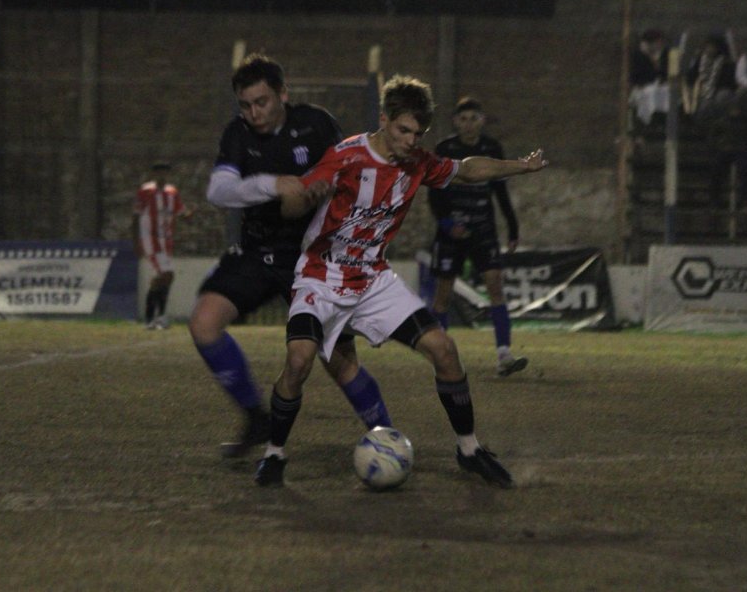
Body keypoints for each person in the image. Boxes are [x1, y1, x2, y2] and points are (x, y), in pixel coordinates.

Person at [254, 75, 549, 489]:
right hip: (320, 276)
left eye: (418, 133)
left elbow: (465, 171)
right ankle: (274, 454)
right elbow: (295, 203)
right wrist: (298, 196)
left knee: (444, 350)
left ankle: (469, 449)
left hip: (373, 278)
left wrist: (520, 166)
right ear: (383, 119)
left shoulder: (418, 162)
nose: (411, 140)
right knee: (299, 362)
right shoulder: (345, 156)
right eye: (403, 130)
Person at [188, 54, 392, 459]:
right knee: (204, 322)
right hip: (258, 250)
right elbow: (219, 191)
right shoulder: (237, 135)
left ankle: (385, 434)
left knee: (337, 357)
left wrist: (325, 188)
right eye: (245, 105)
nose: (253, 113)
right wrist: (273, 184)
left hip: (313, 256)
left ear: (283, 94)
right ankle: (256, 417)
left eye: (261, 102)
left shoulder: (315, 123)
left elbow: (353, 170)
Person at [427, 97, 528, 377]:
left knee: (495, 284)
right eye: (463, 118)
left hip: (483, 227)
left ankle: (504, 355)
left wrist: (513, 227)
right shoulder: (445, 149)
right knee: (443, 294)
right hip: (452, 230)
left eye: (474, 118)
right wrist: (447, 223)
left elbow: (501, 191)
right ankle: (440, 355)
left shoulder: (492, 148)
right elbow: (434, 193)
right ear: (455, 122)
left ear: (482, 121)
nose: (468, 123)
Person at [132, 161, 195, 330]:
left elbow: (181, 212)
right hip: (150, 240)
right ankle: (157, 317)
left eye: (165, 173)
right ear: (153, 175)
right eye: (159, 172)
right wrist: (136, 241)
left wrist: (190, 216)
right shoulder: (146, 191)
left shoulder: (172, 192)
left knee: (162, 279)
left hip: (166, 241)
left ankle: (153, 318)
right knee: (167, 274)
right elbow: (136, 217)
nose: (162, 176)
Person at [683, 34, 737, 123]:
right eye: (707, 47)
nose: (709, 49)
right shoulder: (701, 60)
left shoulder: (726, 62)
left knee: (721, 98)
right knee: (703, 105)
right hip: (705, 91)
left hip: (721, 91)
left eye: (712, 47)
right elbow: (691, 76)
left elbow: (730, 82)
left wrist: (713, 88)